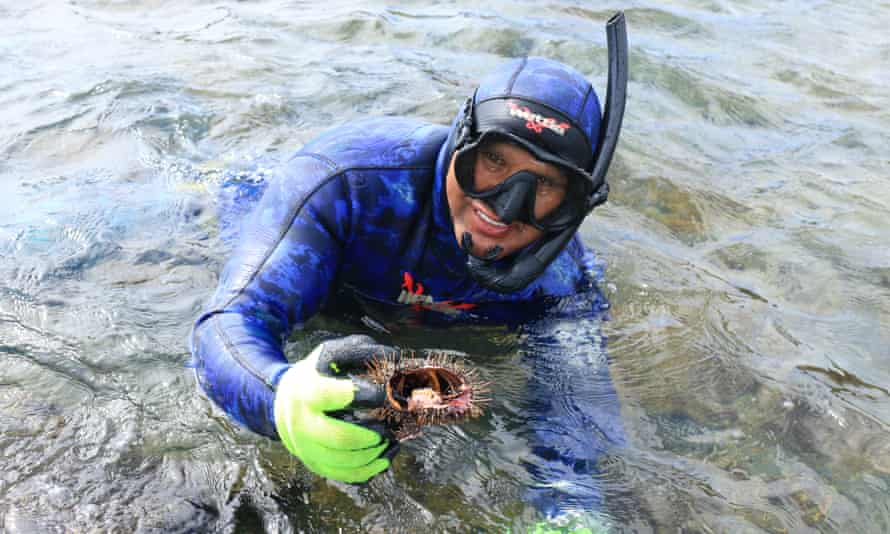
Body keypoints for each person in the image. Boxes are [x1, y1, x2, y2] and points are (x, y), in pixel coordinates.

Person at [190, 12, 628, 531]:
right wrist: (279, 396)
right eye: (493, 161)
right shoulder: (346, 187)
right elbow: (227, 323)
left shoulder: (562, 282)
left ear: (574, 205)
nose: (504, 210)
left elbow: (572, 415)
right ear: (462, 139)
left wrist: (572, 509)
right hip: (264, 214)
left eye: (545, 186)